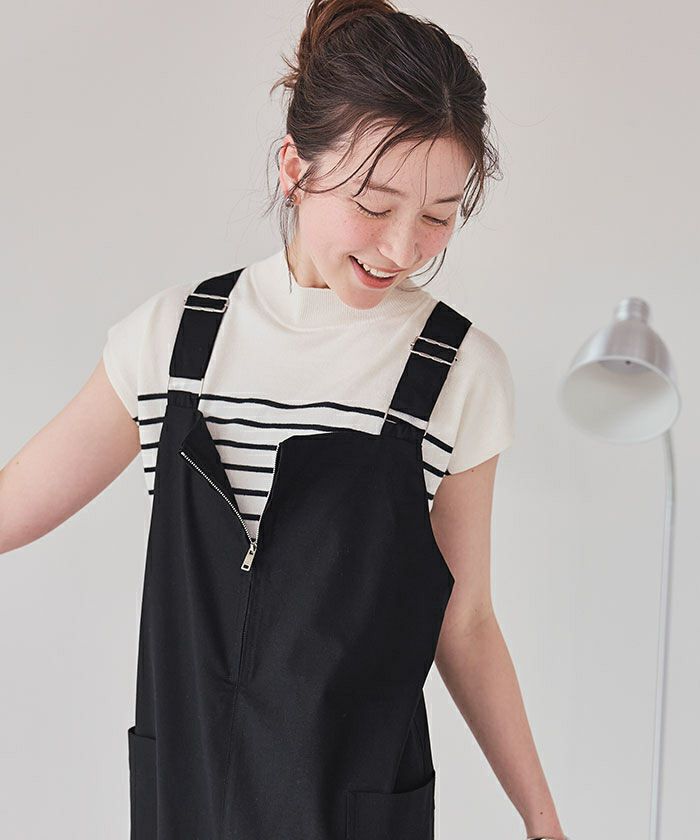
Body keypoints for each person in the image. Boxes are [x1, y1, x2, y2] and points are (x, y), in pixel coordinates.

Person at [0, 1, 569, 838]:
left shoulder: (457, 372)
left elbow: (467, 620)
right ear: (295, 169)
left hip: (355, 810)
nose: (402, 248)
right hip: (190, 795)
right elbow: (12, 505)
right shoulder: (174, 343)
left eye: (438, 216)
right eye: (374, 204)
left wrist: (543, 821)